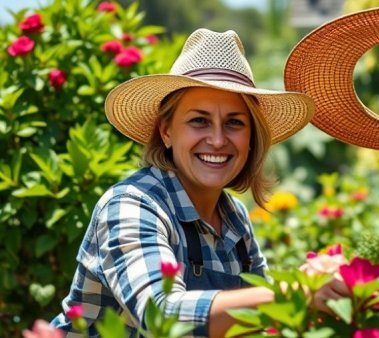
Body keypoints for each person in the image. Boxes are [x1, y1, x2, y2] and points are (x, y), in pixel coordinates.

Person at [51, 28, 349, 337]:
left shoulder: (234, 218)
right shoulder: (131, 203)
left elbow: (262, 322)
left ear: (251, 138)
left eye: (234, 122)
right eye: (199, 121)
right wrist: (293, 292)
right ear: (166, 131)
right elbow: (162, 316)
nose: (218, 140)